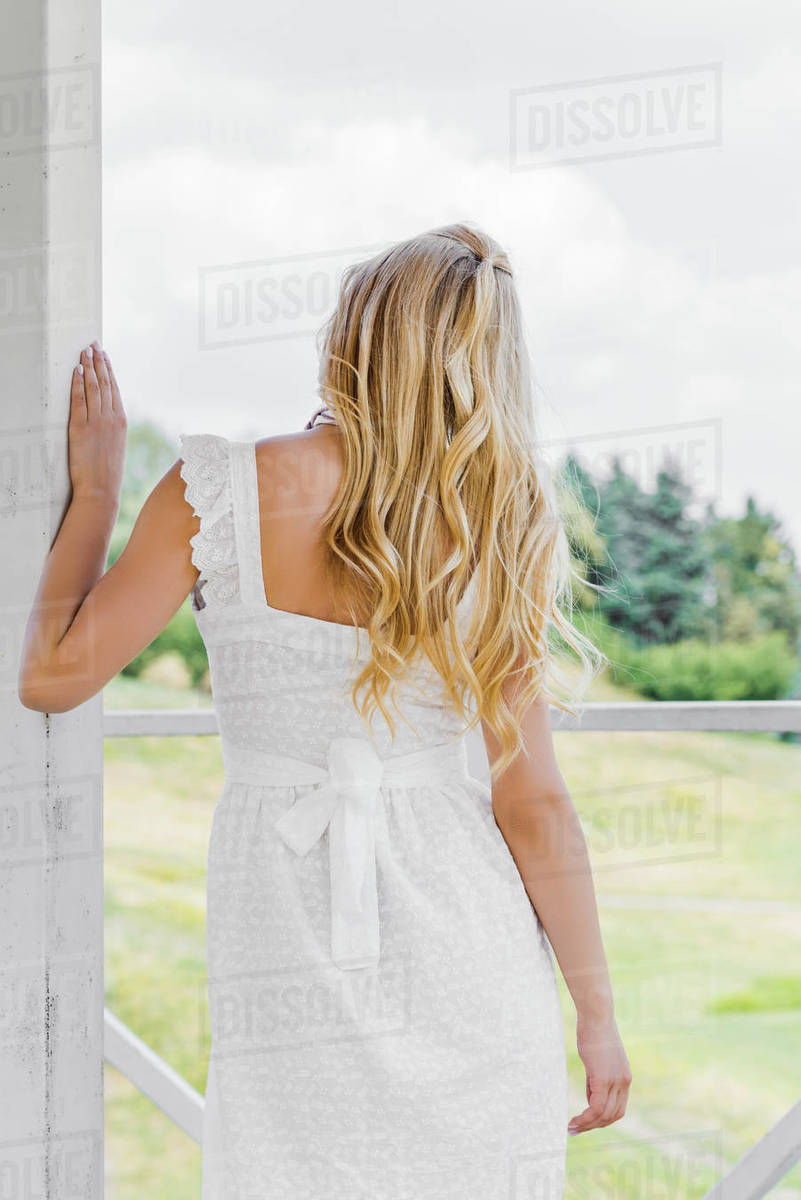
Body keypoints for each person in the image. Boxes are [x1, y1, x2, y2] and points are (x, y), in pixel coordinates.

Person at [18, 222, 631, 1198]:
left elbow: (53, 674)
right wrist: (595, 1014)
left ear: (353, 332)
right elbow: (535, 808)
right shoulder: (495, 520)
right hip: (471, 966)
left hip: (285, 971)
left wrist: (95, 490)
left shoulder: (212, 492)